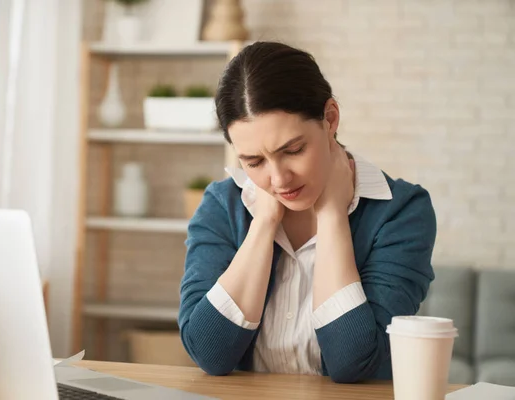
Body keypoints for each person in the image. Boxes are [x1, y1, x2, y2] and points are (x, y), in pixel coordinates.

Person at [177, 41, 436, 383]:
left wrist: (332, 216)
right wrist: (265, 222)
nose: (279, 179)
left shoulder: (401, 212)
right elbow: (210, 354)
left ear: (330, 119)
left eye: (294, 150)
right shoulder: (222, 206)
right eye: (253, 161)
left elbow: (354, 363)